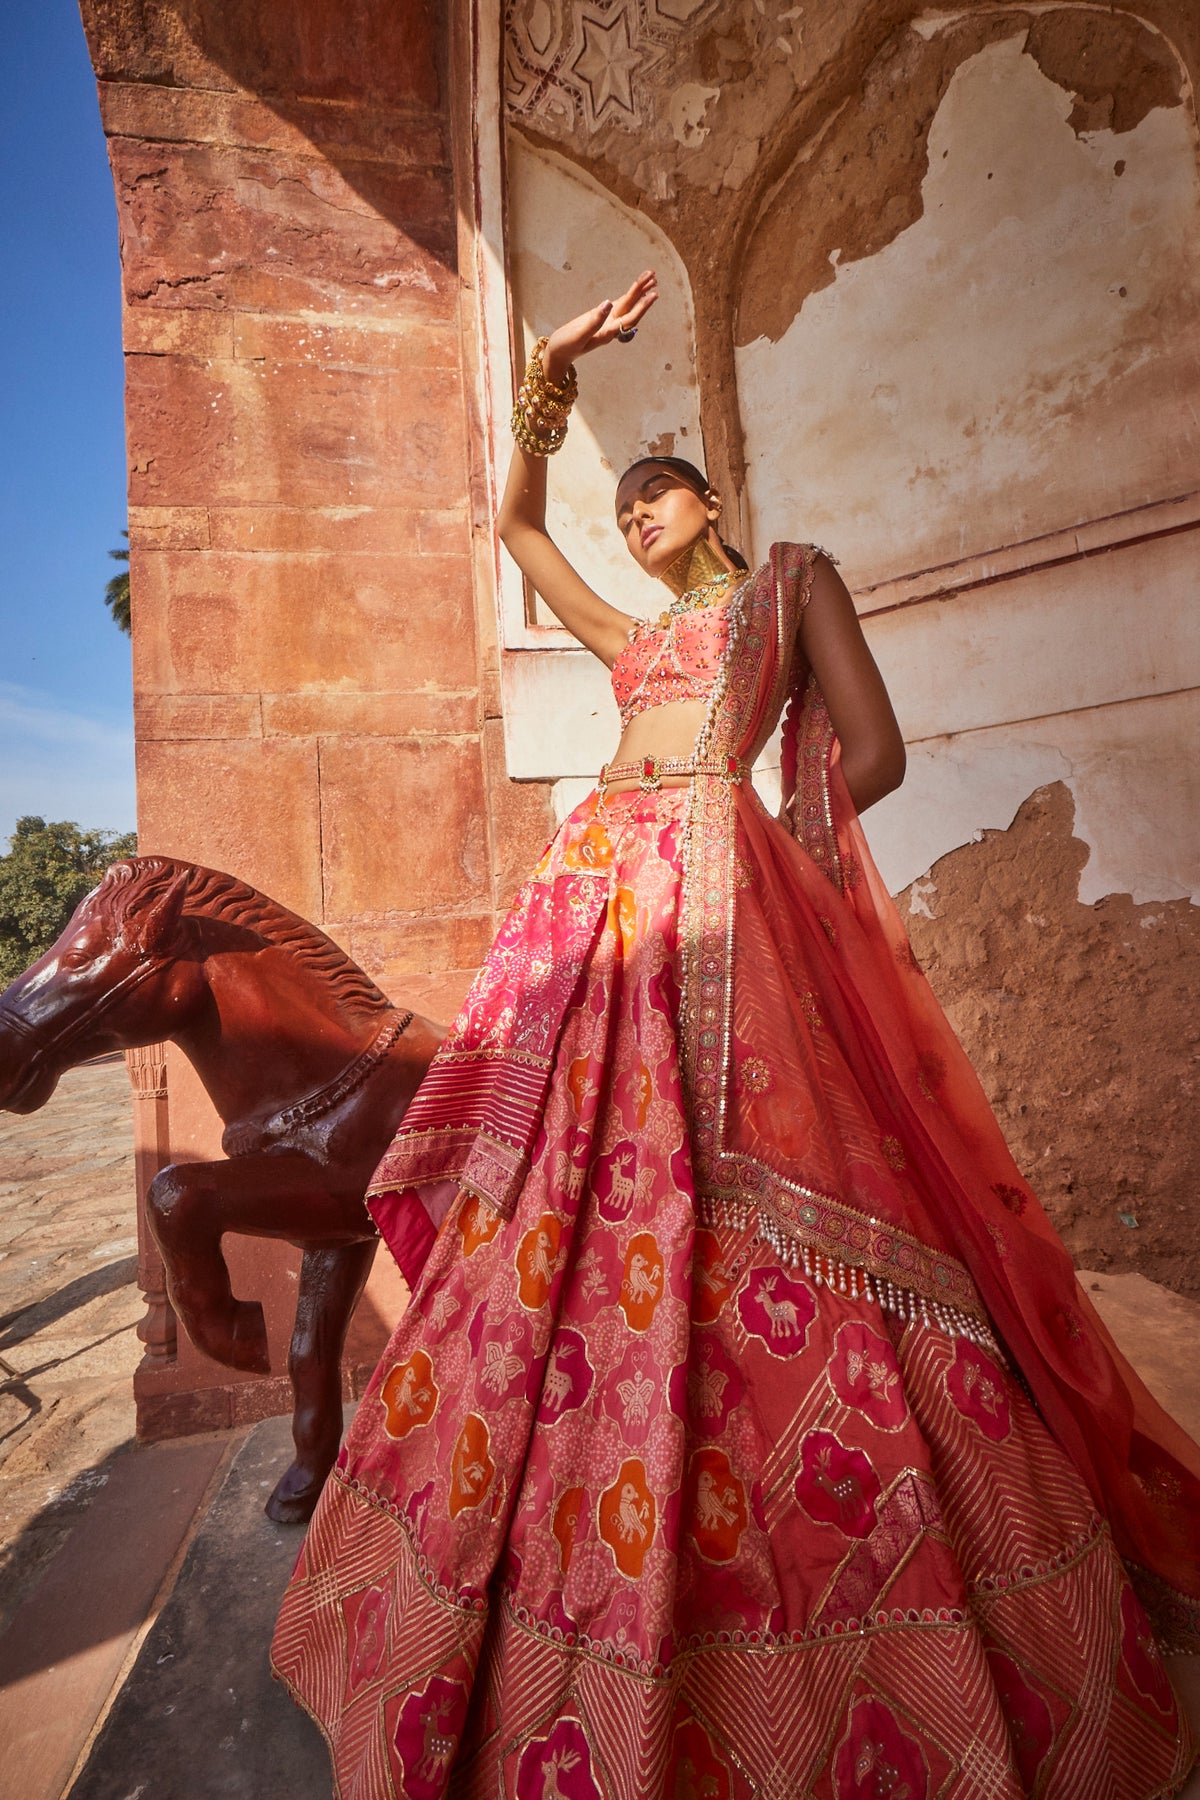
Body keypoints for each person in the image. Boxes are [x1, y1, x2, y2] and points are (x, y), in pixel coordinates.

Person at [272, 272, 1200, 1797]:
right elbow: (513, 527)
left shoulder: (787, 584)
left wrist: (768, 852)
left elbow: (878, 747)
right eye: (624, 512)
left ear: (712, 501)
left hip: (719, 909)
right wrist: (546, 374)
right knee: (567, 1202)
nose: (635, 522)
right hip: (592, 910)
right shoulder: (630, 643)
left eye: (656, 500)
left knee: (759, 1189)